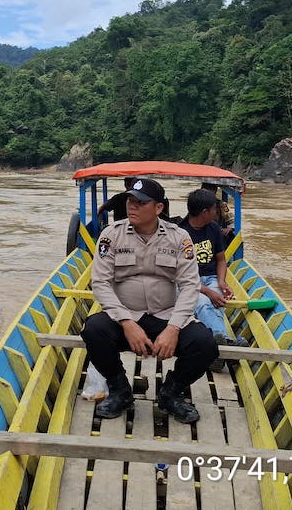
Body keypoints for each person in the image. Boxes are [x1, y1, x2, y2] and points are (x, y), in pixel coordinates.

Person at [81, 178, 217, 423]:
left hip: (166, 314)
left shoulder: (179, 237)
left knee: (205, 344)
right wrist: (126, 322)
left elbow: (189, 286)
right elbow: (100, 283)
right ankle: (120, 390)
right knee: (93, 330)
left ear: (158, 208)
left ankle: (171, 393)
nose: (132, 206)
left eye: (141, 202)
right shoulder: (111, 235)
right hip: (126, 315)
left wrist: (174, 328)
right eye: (130, 201)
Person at [177, 188, 247, 371]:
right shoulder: (179, 233)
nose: (217, 213)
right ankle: (227, 344)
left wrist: (222, 282)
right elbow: (179, 275)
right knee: (203, 303)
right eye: (214, 210)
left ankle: (216, 348)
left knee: (218, 302)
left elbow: (221, 259)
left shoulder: (213, 228)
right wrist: (208, 292)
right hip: (187, 283)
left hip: (211, 277)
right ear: (205, 212)